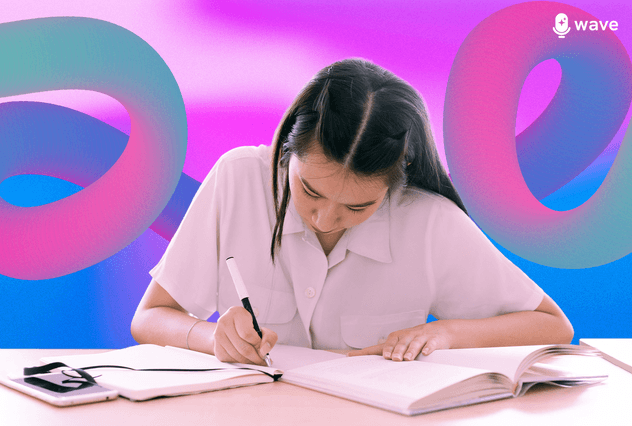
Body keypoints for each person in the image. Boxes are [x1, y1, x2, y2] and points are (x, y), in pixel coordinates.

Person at [131, 58, 573, 366]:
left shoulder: (428, 222)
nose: (325, 220)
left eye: (357, 206)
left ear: (397, 180)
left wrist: (447, 334)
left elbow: (552, 326)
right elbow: (149, 318)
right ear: (288, 149)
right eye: (309, 191)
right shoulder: (238, 179)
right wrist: (214, 339)